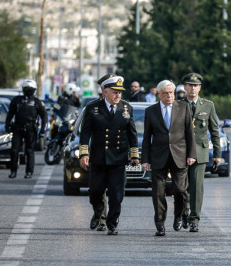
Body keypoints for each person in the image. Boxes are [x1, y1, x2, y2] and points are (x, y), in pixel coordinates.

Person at [78, 76, 140, 235]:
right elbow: (85, 133)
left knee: (116, 194)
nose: (118, 95)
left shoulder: (126, 108)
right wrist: (84, 154)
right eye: (114, 92)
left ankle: (112, 223)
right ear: (105, 92)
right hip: (98, 158)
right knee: (95, 191)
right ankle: (98, 213)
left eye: (120, 92)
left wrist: (134, 155)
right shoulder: (93, 108)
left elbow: (132, 133)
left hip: (118, 158)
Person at [142, 80, 196, 236]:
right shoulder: (151, 111)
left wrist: (192, 154)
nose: (169, 96)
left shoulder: (184, 107)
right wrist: (145, 159)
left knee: (180, 190)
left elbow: (189, 134)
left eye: (171, 92)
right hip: (158, 156)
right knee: (158, 192)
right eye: (166, 93)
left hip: (180, 155)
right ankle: (160, 223)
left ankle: (179, 215)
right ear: (159, 94)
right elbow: (147, 137)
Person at [180, 72, 223, 232]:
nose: (192, 88)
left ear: (200, 88)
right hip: (181, 152)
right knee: (181, 187)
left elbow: (215, 131)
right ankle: (182, 213)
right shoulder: (178, 104)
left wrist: (217, 155)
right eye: (190, 85)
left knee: (197, 187)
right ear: (185, 87)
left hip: (200, 152)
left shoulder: (208, 105)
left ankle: (194, 219)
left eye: (196, 85)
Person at [6, 78, 47, 179]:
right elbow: (10, 114)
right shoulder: (17, 100)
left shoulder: (37, 102)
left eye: (30, 89)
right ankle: (13, 171)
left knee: (29, 151)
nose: (28, 91)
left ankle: (29, 172)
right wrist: (7, 125)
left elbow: (44, 117)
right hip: (17, 128)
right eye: (26, 88)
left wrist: (42, 130)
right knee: (14, 150)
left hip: (31, 129)